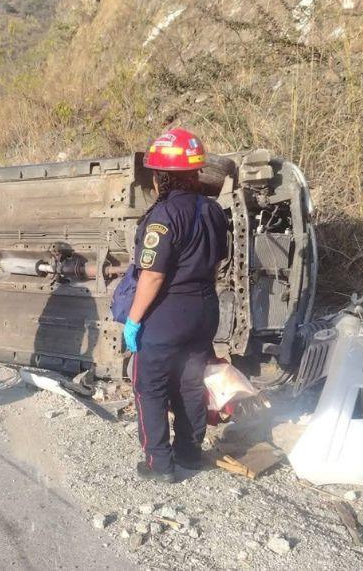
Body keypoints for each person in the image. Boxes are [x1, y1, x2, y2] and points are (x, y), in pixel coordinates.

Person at [124, 128, 228, 484]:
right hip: (204, 311)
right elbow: (216, 264)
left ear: (160, 176)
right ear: (196, 172)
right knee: (190, 384)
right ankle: (190, 453)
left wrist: (134, 321)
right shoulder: (214, 211)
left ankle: (159, 465)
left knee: (149, 387)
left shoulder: (163, 216)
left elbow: (152, 277)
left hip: (167, 315)